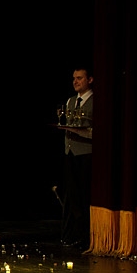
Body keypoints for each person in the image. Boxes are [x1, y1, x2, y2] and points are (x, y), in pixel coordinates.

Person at [60, 67, 94, 249]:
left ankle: (85, 235)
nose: (75, 81)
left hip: (86, 154)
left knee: (83, 195)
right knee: (71, 195)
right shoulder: (71, 101)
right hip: (70, 153)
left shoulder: (95, 101)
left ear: (90, 80)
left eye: (80, 78)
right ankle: (71, 234)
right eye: (74, 78)